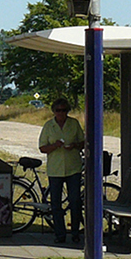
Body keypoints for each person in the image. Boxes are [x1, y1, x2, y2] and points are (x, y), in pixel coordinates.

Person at [38, 98, 85, 245]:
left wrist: (75, 145)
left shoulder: (74, 124)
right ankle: (60, 234)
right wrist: (54, 146)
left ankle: (76, 232)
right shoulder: (49, 126)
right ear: (54, 112)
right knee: (56, 204)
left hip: (73, 168)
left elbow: (83, 142)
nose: (61, 113)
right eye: (58, 110)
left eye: (64, 110)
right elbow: (42, 147)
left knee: (75, 201)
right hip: (55, 169)